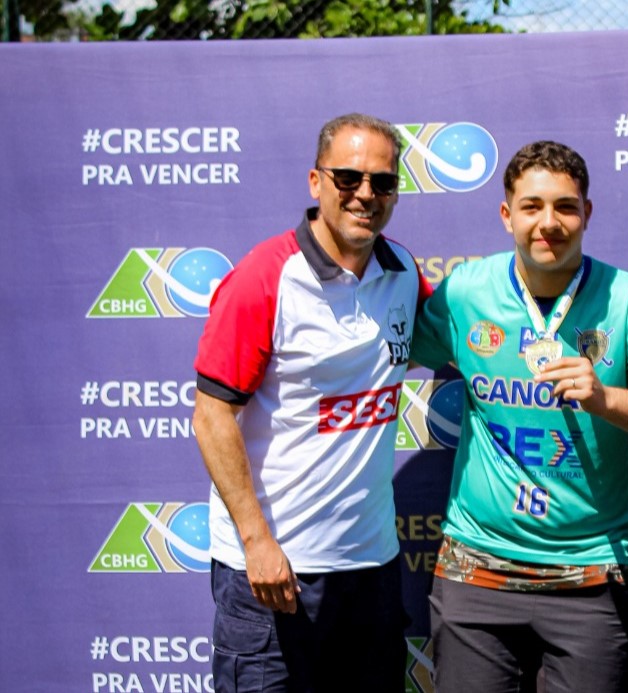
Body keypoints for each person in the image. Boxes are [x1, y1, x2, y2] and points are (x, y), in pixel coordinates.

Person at [411, 140, 628, 693]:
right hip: (477, 569)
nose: (548, 223)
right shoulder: (466, 293)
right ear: (507, 215)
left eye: (565, 207)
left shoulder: (627, 299)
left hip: (592, 571)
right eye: (531, 206)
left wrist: (606, 399)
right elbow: (387, 348)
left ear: (587, 214)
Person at [191, 112, 430, 693]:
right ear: (316, 181)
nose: (365, 194)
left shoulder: (402, 272)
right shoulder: (265, 277)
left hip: (370, 570)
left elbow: (467, 338)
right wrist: (257, 544)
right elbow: (211, 415)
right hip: (275, 574)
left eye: (382, 181)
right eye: (348, 178)